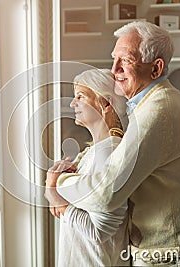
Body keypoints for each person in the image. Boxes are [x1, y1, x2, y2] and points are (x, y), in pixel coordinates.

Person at [45, 21, 180, 266]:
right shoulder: (153, 105)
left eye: (125, 60)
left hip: (176, 257)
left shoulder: (159, 111)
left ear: (156, 68)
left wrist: (57, 186)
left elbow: (107, 194)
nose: (114, 69)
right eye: (114, 58)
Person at [46, 68, 130, 266]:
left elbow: (98, 231)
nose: (72, 103)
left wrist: (56, 197)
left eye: (80, 96)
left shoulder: (109, 154)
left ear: (106, 103)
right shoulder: (95, 151)